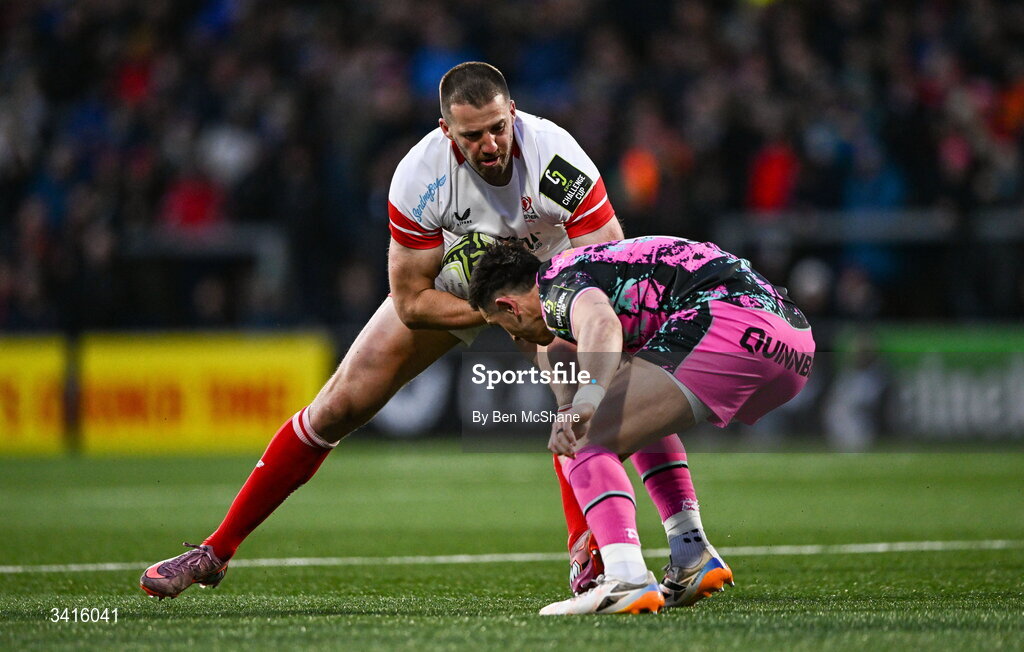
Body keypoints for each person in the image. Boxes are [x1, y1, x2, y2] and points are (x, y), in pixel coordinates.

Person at [138, 62, 717, 604]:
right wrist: (493, 310)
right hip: (457, 289)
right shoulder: (419, 177)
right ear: (447, 131)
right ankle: (216, 550)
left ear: (513, 112)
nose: (489, 145)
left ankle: (588, 555)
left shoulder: (556, 160)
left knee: (577, 392)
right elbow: (411, 301)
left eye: (498, 128)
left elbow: (605, 260)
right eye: (472, 136)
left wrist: (549, 311)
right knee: (336, 406)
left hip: (555, 285)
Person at [467, 236, 815, 615]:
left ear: (508, 306)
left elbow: (600, 324)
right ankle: (691, 552)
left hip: (729, 324)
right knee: (633, 408)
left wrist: (586, 403)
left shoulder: (557, 283)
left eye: (500, 325)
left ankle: (626, 577)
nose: (512, 336)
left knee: (583, 441)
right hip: (792, 339)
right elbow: (571, 349)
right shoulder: (588, 268)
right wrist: (573, 402)